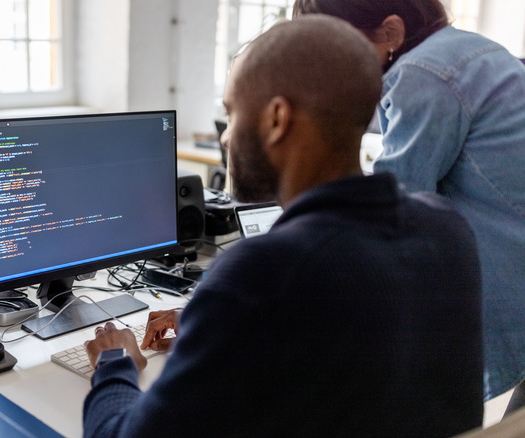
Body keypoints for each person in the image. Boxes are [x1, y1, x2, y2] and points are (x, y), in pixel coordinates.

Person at [82, 15, 483, 437]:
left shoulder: (261, 274)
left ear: (276, 118)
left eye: (232, 114)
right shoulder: (448, 230)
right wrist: (213, 325)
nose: (224, 138)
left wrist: (114, 364)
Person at [292, 0, 525, 404]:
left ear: (392, 32)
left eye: (338, 49)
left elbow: (390, 208)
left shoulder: (422, 73)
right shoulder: (470, 49)